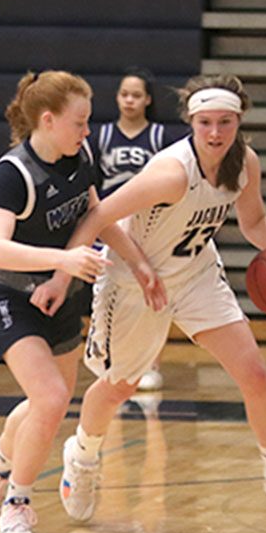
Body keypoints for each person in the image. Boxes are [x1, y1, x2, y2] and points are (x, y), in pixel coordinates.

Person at [48, 74, 266, 521]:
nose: (215, 133)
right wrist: (66, 275)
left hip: (195, 275)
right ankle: (81, 457)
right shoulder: (171, 173)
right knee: (121, 386)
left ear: (239, 122)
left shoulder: (244, 163)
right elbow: (98, 215)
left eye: (225, 122)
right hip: (138, 281)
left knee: (254, 373)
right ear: (191, 123)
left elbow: (254, 223)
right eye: (205, 123)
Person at [0, 70, 163, 533]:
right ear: (48, 121)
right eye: (80, 123)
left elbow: (99, 216)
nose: (88, 132)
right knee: (51, 399)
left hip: (62, 296)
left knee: (45, 405)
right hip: (12, 297)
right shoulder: (12, 173)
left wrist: (138, 263)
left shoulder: (81, 157)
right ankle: (17, 502)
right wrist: (63, 260)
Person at [88, 67, 180, 391]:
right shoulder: (100, 136)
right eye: (124, 94)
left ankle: (152, 365)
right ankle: (109, 360)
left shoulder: (160, 137)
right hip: (112, 224)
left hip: (148, 223)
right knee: (109, 291)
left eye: (136, 95)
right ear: (116, 98)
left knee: (153, 291)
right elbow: (92, 184)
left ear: (148, 100)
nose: (129, 100)